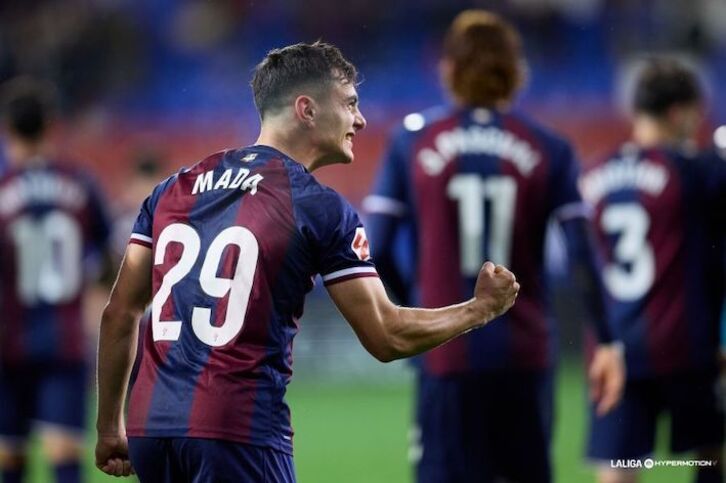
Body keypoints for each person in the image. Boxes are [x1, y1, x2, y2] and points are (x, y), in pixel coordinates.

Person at [94, 41, 520, 482]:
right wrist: (479, 309)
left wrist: (110, 427)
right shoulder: (318, 206)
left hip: (150, 432)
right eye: (350, 103)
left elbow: (120, 312)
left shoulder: (172, 189)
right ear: (307, 109)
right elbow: (387, 335)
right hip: (239, 432)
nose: (361, 119)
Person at [363, 10, 625, 483]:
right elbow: (583, 251)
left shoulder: (412, 142)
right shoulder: (550, 147)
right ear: (515, 72)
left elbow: (376, 247)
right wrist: (606, 341)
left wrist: (415, 312)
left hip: (445, 355)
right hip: (523, 355)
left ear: (448, 70)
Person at [582, 59, 725, 483]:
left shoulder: (594, 172)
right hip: (688, 347)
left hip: (616, 349)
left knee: (619, 471)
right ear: (680, 112)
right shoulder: (698, 171)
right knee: (710, 461)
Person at [0, 77, 113, 483]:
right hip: (64, 341)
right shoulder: (81, 185)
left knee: (8, 460)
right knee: (64, 457)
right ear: (52, 126)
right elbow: (112, 256)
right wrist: (98, 297)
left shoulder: (3, 189)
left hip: (7, 340)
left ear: (7, 129)